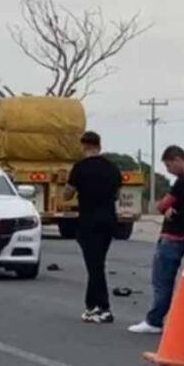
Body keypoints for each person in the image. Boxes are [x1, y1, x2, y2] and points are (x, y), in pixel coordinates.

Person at [128, 146, 184, 334]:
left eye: (169, 165)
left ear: (178, 159)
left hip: (174, 236)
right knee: (168, 280)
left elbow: (162, 205)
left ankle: (154, 320)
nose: (169, 171)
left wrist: (166, 209)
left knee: (162, 280)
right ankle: (161, 318)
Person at [64, 131, 122, 324]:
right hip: (109, 221)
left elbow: (67, 194)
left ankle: (103, 307)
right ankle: (91, 305)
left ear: (83, 146)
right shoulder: (112, 168)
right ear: (99, 145)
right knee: (97, 263)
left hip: (89, 221)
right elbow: (117, 195)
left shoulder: (79, 168)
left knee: (95, 266)